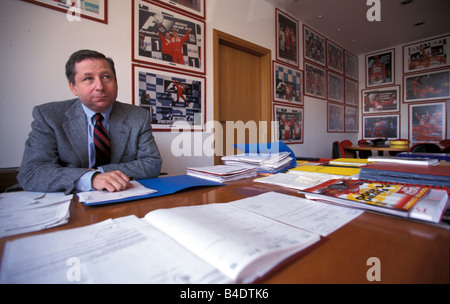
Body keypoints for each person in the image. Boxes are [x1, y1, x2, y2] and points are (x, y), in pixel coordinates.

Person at [17, 50, 162, 194]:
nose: (100, 86)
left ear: (116, 83)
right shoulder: (48, 116)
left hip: (120, 195)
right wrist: (89, 179)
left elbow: (152, 163)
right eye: (88, 79)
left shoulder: (137, 116)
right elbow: (32, 172)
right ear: (73, 87)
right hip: (64, 200)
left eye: (106, 77)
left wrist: (101, 174)